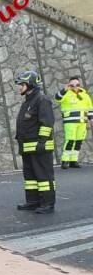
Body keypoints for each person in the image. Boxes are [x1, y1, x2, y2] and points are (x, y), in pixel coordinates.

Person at [14, 70, 56, 214]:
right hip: (27, 148)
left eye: (21, 84)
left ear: (30, 84)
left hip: (39, 147)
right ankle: (33, 202)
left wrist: (42, 142)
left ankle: (48, 203)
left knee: (44, 177)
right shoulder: (28, 101)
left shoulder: (41, 100)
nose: (19, 87)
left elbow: (47, 123)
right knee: (30, 178)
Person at [53, 75, 93, 168]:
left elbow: (90, 109)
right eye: (72, 85)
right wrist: (65, 89)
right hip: (70, 122)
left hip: (82, 122)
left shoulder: (85, 95)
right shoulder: (65, 93)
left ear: (80, 85)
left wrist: (91, 120)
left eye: (77, 84)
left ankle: (73, 161)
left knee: (79, 141)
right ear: (69, 85)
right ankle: (65, 160)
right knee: (70, 140)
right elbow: (57, 98)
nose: (75, 87)